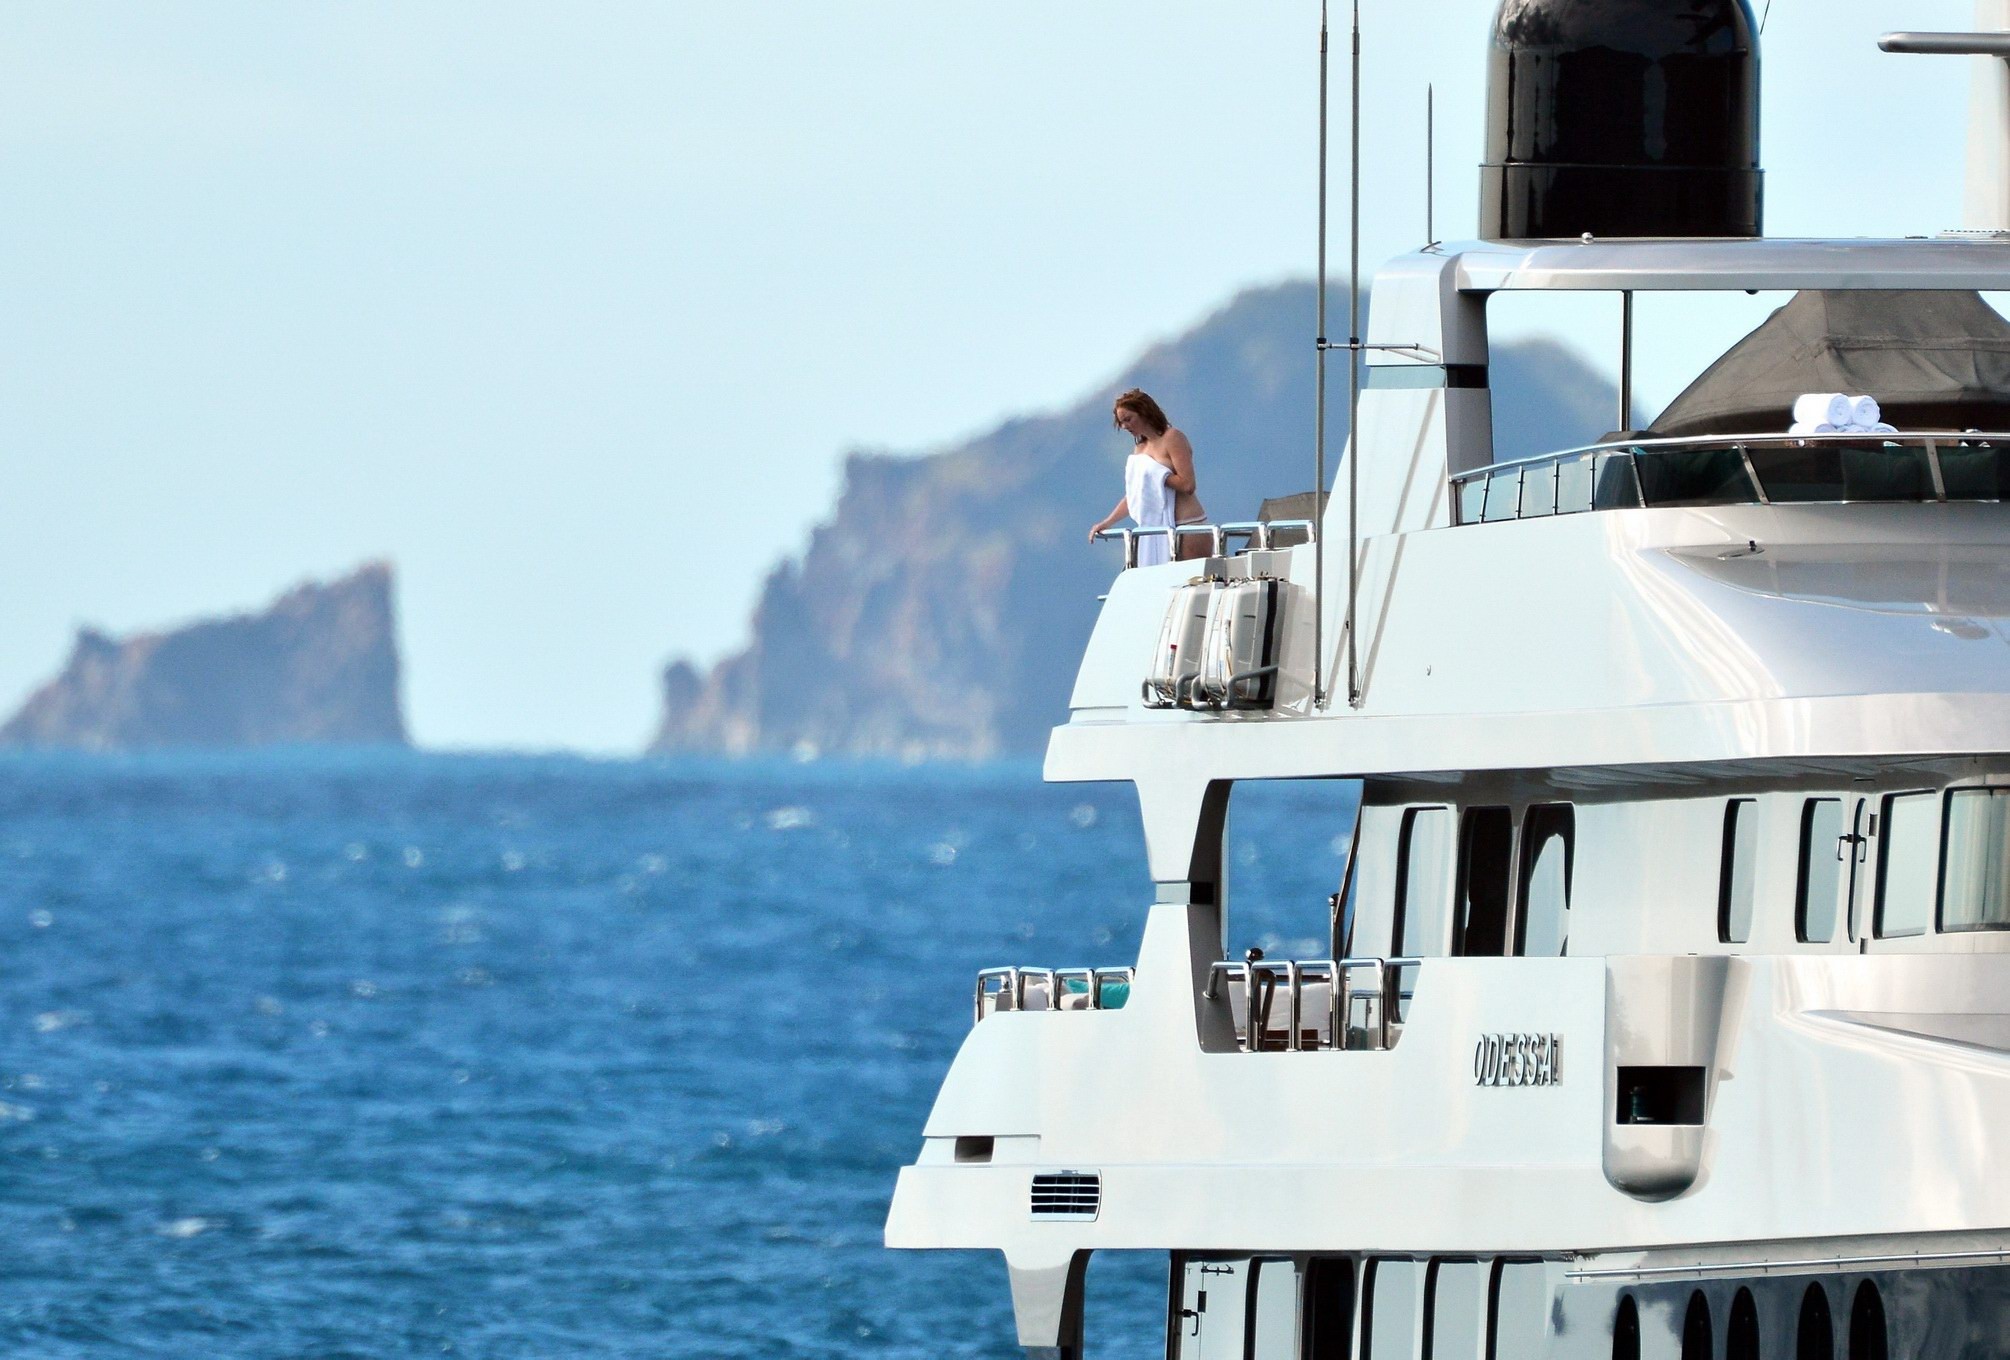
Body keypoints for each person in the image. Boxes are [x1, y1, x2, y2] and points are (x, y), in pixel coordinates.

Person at [1087, 388, 1210, 563]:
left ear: (1144, 413)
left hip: (1188, 526)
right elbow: (1136, 495)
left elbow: (1188, 485)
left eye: (1128, 419)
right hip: (1158, 529)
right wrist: (1108, 522)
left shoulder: (1172, 438)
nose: (1125, 426)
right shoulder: (1140, 449)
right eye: (1121, 423)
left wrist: (1159, 475)